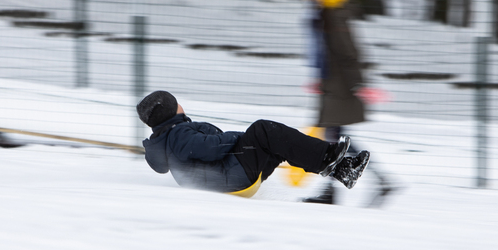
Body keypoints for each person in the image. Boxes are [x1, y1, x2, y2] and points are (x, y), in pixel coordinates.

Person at [137, 90, 370, 198]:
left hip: (231, 178)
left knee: (277, 142)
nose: (181, 107)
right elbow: (208, 149)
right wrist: (238, 138)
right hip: (233, 177)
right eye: (177, 104)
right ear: (170, 112)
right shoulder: (177, 134)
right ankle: (329, 156)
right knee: (263, 129)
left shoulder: (171, 137)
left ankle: (342, 170)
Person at [295, 0, 394, 206]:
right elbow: (324, 50)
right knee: (336, 137)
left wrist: (357, 84)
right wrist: (319, 76)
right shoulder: (323, 9)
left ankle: (378, 182)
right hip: (332, 82)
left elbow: (347, 50)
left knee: (337, 138)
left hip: (340, 85)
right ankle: (341, 188)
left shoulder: (331, 11)